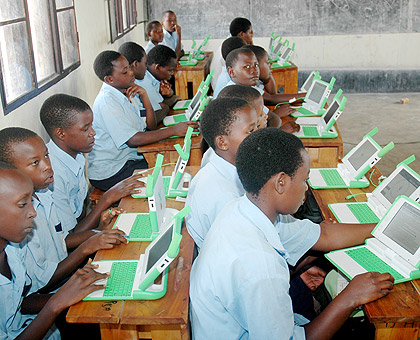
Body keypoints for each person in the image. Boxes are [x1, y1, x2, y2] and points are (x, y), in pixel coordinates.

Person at [190, 128, 394, 339]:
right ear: (280, 183)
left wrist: (387, 228)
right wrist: (350, 297)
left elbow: (324, 234)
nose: (306, 188)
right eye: (304, 180)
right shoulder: (260, 266)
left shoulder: (241, 208)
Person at [0, 127, 127, 293]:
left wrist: (99, 231)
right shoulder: (16, 224)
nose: (47, 166)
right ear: (11, 172)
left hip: (68, 277)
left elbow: (62, 241)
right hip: (54, 292)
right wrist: (87, 247)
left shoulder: (44, 196)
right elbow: (33, 294)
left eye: (46, 156)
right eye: (35, 163)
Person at [0, 161, 109, 340]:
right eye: (22, 204)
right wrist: (57, 302)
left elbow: (22, 302)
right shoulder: (19, 242)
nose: (34, 213)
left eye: (31, 201)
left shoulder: (13, 250)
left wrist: (73, 290)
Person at [88, 50, 197, 191]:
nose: (131, 73)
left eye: (130, 68)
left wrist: (144, 96)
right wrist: (174, 130)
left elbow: (151, 126)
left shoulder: (128, 91)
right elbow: (133, 139)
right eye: (125, 71)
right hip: (112, 170)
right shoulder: (107, 101)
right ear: (109, 79)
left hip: (131, 159)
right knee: (167, 176)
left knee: (175, 166)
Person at [40, 93, 143, 235]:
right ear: (61, 134)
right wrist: (107, 198)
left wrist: (100, 224)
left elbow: (81, 215)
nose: (93, 133)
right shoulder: (53, 176)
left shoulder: (76, 155)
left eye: (92, 126)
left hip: (83, 228)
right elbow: (69, 239)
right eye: (85, 128)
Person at [224, 47, 299, 131]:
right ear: (231, 72)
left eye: (256, 65)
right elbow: (247, 137)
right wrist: (281, 132)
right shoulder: (233, 96)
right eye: (247, 66)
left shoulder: (247, 88)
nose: (254, 70)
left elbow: (274, 118)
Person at [135, 45, 180, 123]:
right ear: (157, 67)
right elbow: (158, 112)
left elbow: (166, 98)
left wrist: (169, 94)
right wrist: (169, 104)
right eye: (170, 70)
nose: (172, 73)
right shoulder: (145, 81)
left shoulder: (155, 78)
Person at [210, 17, 254, 90]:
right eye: (250, 33)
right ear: (241, 34)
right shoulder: (233, 49)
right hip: (224, 88)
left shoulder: (231, 43)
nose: (252, 35)